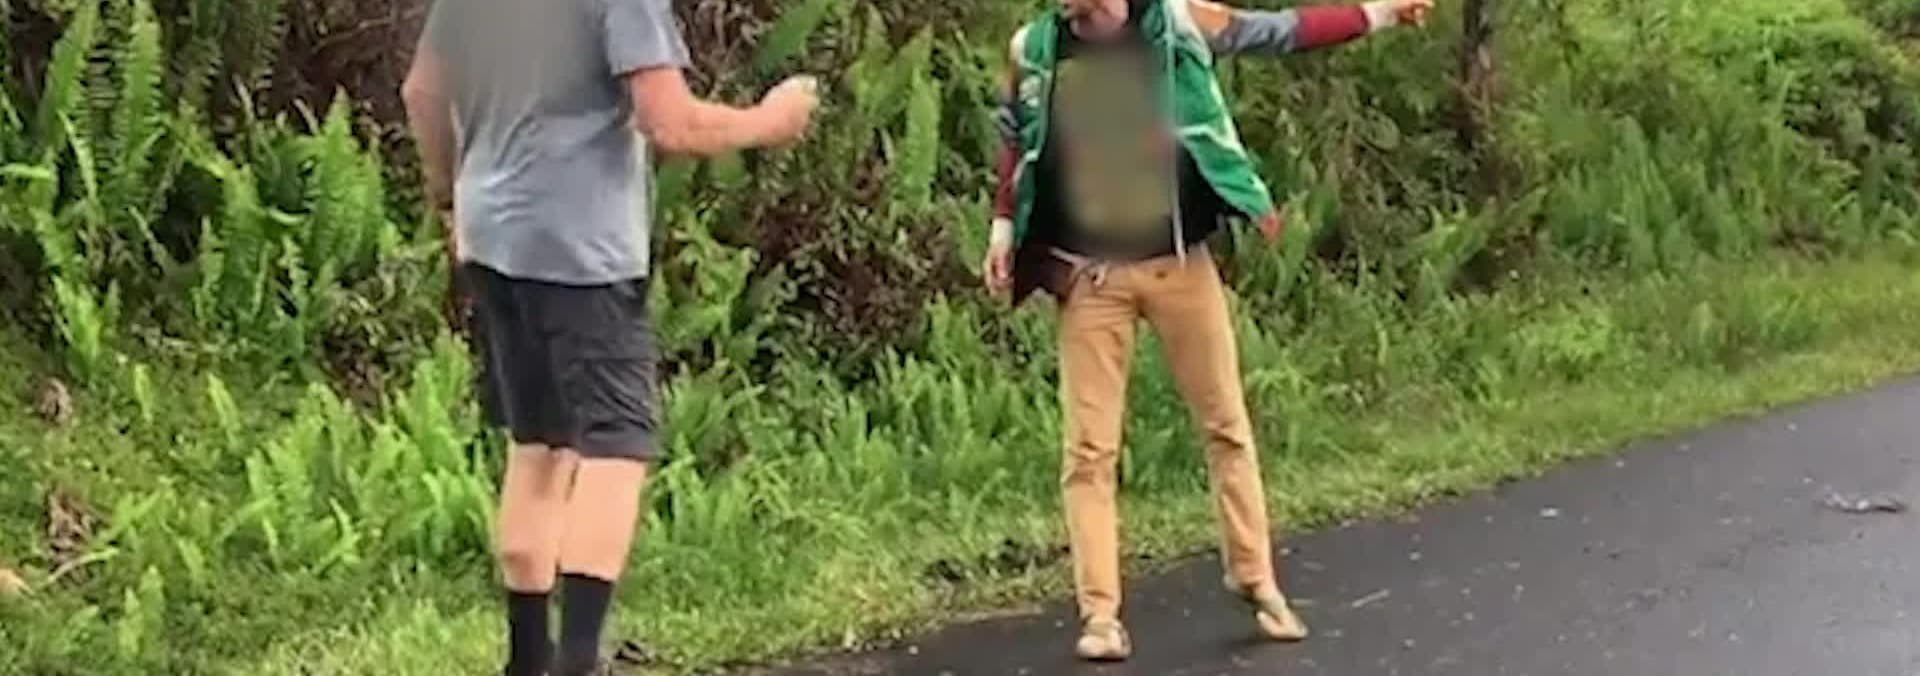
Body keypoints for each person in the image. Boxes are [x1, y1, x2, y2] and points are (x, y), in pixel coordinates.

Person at [982, 0, 1433, 661]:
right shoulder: (1035, 49)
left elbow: (1277, 33)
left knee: (1226, 425)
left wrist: (1378, 13)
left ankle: (1257, 581)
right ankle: (1100, 616)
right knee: (1089, 452)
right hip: (1091, 278)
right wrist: (1002, 227)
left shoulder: (1177, 22)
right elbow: (1016, 140)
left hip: (1180, 267)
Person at [401, 0, 818, 673]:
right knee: (616, 446)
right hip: (582, 253)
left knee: (540, 444)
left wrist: (449, 192)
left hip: (493, 241)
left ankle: (527, 659)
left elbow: (422, 90)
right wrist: (771, 122)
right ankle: (578, 659)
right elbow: (669, 121)